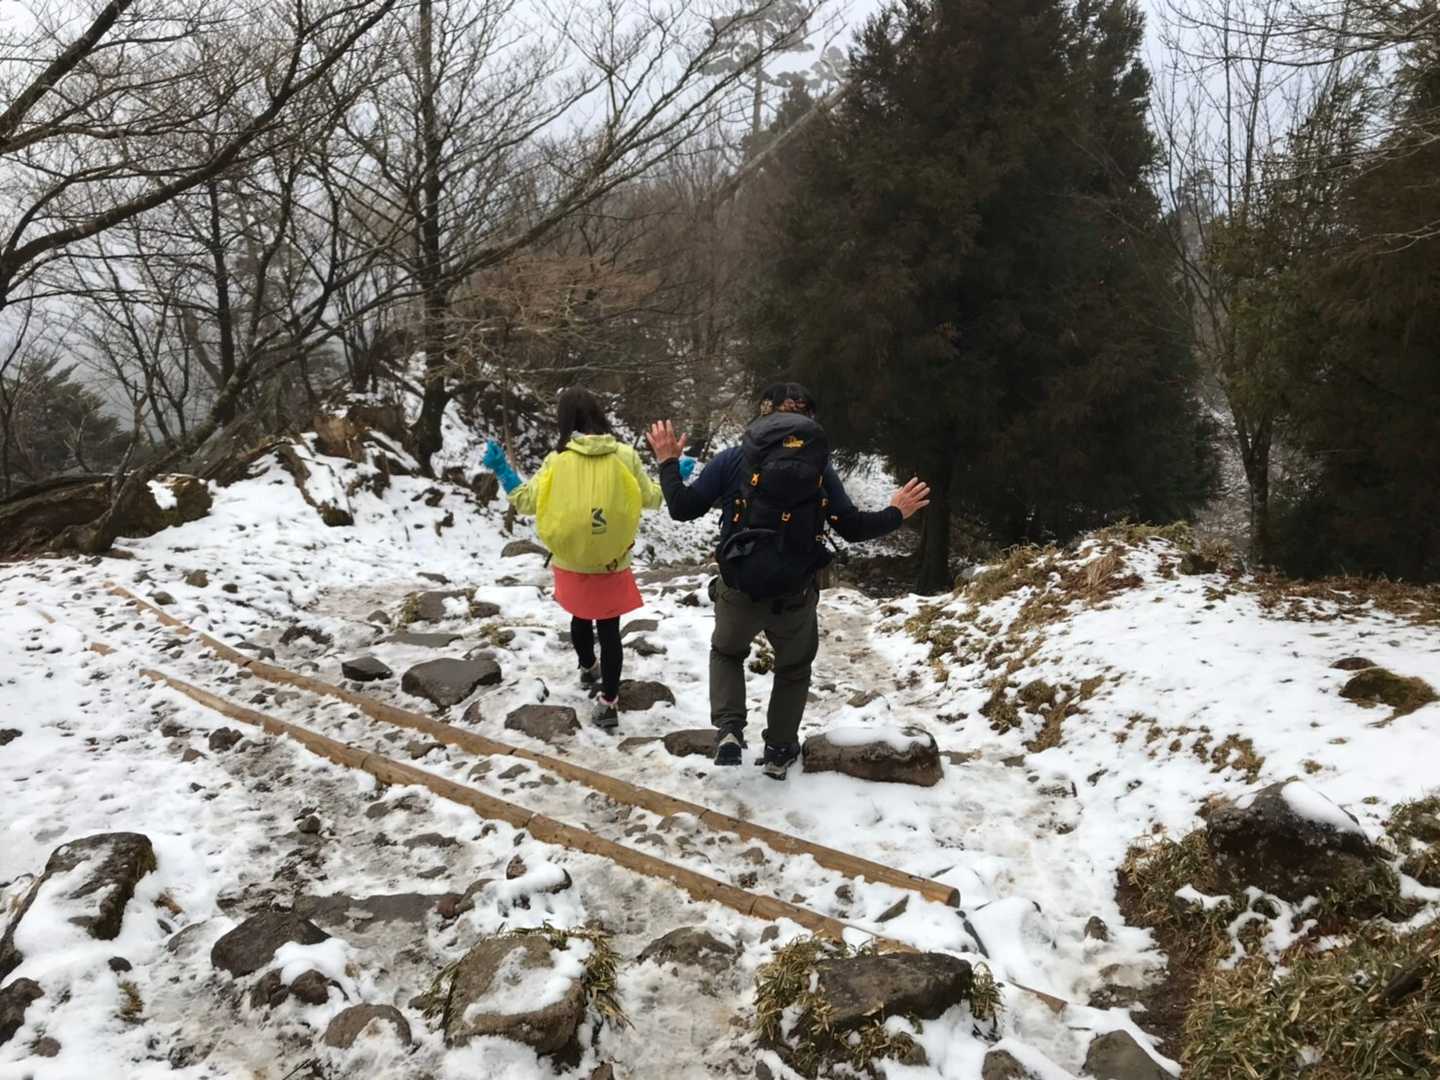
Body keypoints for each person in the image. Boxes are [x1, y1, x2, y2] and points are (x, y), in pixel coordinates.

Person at [646, 382, 930, 779]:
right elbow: (851, 527)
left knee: (727, 653)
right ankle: (779, 750)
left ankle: (729, 730)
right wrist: (895, 512)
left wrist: (667, 462)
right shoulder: (819, 470)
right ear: (809, 419)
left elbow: (682, 508)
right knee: (793, 669)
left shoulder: (733, 459)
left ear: (764, 412)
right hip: (795, 592)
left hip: (739, 586)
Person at [483, 388, 663, 730]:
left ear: (565, 420)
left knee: (580, 618)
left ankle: (587, 667)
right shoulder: (625, 456)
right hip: (612, 559)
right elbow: (652, 498)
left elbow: (525, 501)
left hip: (571, 560)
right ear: (599, 414)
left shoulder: (557, 460)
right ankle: (608, 704)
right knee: (610, 631)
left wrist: (502, 470)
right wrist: (673, 471)